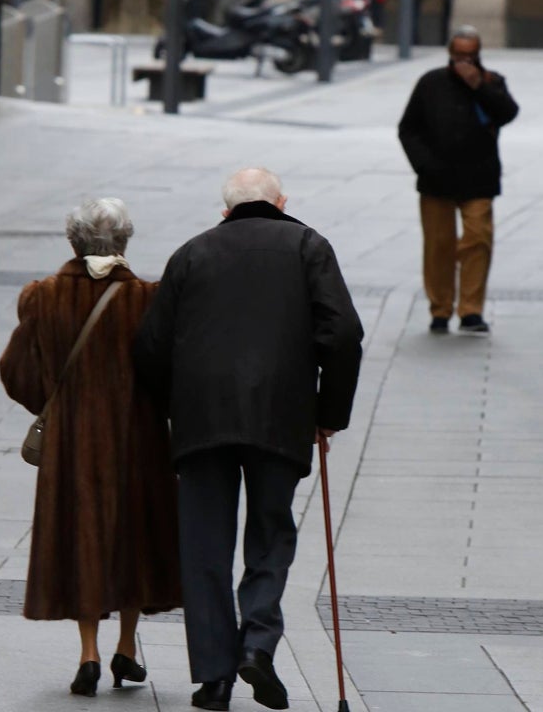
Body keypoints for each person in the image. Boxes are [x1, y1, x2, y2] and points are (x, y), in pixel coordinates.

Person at [134, 169, 364, 712]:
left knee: (205, 548)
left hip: (202, 422)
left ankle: (214, 678)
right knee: (270, 535)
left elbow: (149, 345)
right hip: (279, 418)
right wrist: (326, 414)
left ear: (225, 211)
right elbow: (345, 334)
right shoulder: (308, 245)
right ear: (282, 202)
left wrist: (174, 407)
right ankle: (257, 645)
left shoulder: (192, 253)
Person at [0, 198, 181, 698]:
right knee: (134, 539)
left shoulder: (44, 296)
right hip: (137, 441)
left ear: (72, 242)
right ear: (124, 241)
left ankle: (88, 654)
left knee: (82, 538)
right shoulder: (148, 299)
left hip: (72, 443)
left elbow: (15, 372)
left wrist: (57, 405)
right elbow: (170, 373)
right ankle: (126, 647)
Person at [398, 25, 519, 336]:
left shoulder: (491, 82)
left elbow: (508, 112)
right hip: (436, 178)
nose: (464, 61)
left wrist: (480, 86)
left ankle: (471, 311)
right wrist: (423, 165)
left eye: (471, 55)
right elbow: (408, 128)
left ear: (479, 55)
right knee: (438, 246)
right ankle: (440, 310)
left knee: (478, 238)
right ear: (450, 54)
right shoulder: (431, 83)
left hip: (479, 177)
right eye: (459, 55)